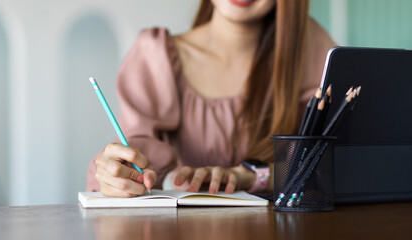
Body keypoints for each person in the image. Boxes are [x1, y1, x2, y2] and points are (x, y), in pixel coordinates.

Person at [86, 0, 336, 197]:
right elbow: (139, 151)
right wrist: (118, 173)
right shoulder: (155, 55)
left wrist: (250, 177)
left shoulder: (311, 49)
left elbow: (331, 167)